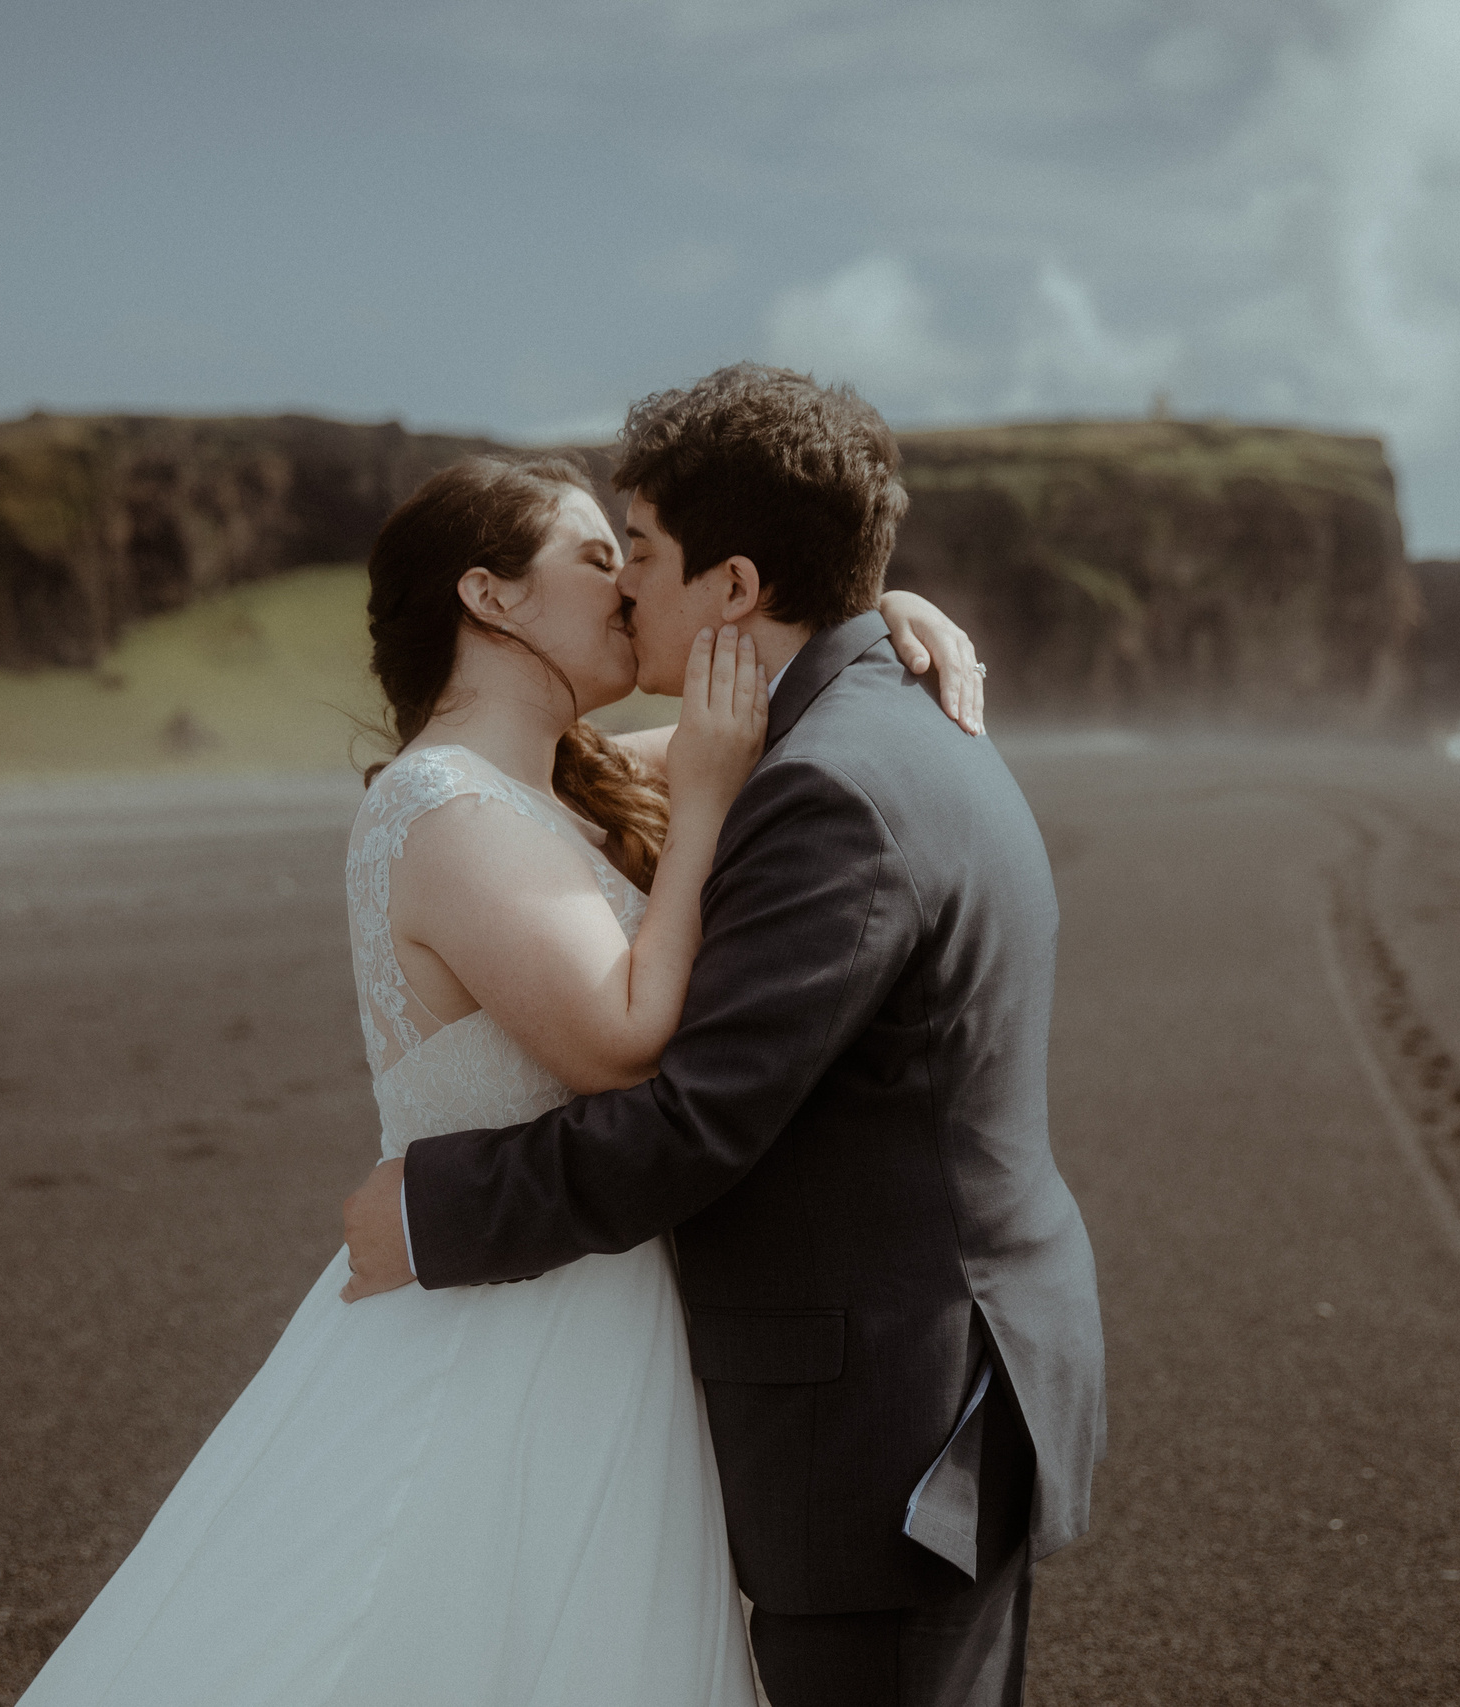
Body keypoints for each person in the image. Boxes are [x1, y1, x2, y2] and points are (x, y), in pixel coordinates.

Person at [15, 450, 984, 1706]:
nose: (633, 589)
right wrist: (696, 813)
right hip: (502, 1333)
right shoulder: (444, 806)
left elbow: (777, 703)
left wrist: (888, 615)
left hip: (606, 1308)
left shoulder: (563, 781)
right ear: (491, 597)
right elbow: (621, 1039)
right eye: (598, 559)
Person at [341, 364, 1105, 1707]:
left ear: (737, 586)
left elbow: (697, 1115)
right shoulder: (844, 730)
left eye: (634, 551)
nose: (625, 585)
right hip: (894, 1387)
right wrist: (882, 608)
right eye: (601, 556)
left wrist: (431, 1209)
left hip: (888, 1425)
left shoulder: (832, 787)